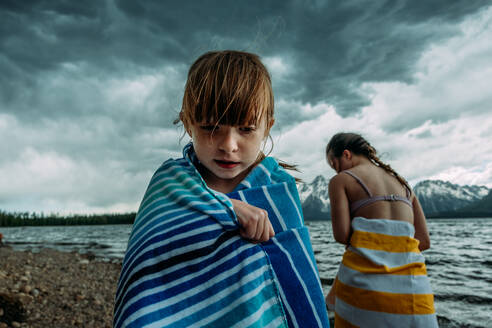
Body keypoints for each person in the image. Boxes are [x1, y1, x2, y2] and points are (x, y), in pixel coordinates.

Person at [114, 50, 330, 328]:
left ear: (267, 127)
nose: (229, 144)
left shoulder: (276, 192)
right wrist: (226, 208)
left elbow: (297, 284)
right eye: (210, 127)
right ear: (188, 122)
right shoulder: (169, 183)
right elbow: (148, 272)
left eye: (246, 129)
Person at [325, 132, 438, 327]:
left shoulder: (341, 180)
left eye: (335, 165)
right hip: (415, 292)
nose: (336, 172)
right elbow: (424, 240)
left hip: (363, 288)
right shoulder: (404, 184)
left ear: (346, 154)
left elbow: (342, 235)